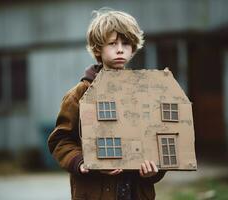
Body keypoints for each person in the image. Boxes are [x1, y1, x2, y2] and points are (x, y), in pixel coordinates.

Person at [48, 8, 165, 200]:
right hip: (95, 191)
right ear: (97, 49)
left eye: (126, 43)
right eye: (112, 43)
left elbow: (156, 138)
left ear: (133, 48)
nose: (120, 49)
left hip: (135, 191)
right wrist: (82, 162)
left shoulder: (144, 93)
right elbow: (60, 140)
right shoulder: (80, 94)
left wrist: (155, 170)